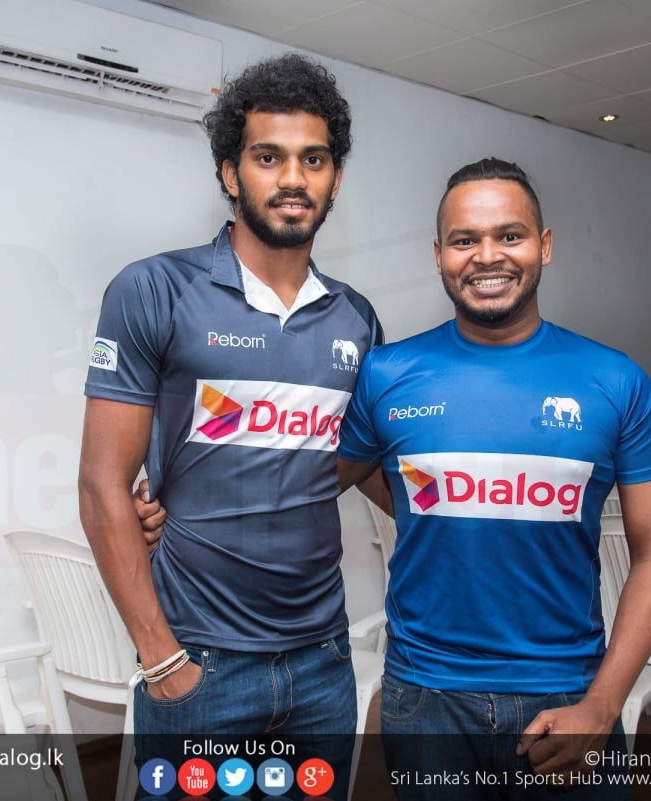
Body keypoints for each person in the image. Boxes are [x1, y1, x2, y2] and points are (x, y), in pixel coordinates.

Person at [79, 52, 383, 800]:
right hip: (199, 665)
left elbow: (358, 465)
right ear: (229, 171)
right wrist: (162, 660)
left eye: (314, 159)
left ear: (335, 178)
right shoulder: (154, 288)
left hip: (321, 665)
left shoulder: (357, 318)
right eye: (268, 157)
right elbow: (101, 486)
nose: (293, 178)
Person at [336, 158, 651, 800]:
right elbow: (329, 473)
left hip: (568, 694)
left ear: (544, 246)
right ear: (439, 255)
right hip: (427, 698)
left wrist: (603, 705)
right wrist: (174, 501)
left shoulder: (616, 381)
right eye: (465, 240)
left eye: (510, 235)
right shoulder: (387, 373)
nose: (487, 255)